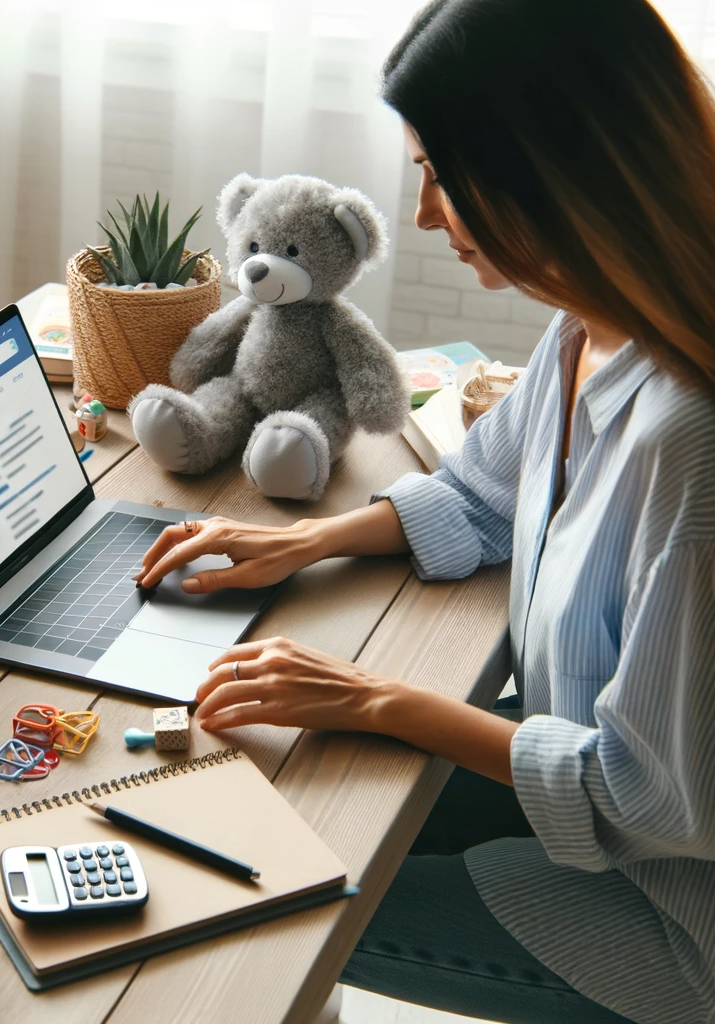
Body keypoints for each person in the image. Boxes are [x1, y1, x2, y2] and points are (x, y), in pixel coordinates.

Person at [133, 1, 715, 1022]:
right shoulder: (589, 329)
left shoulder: (688, 439)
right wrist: (296, 542)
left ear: (550, 166)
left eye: (443, 177)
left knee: (251, 883)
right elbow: (479, 492)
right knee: (250, 787)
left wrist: (375, 697)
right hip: (583, 774)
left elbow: (650, 797)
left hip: (669, 918)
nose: (423, 218)